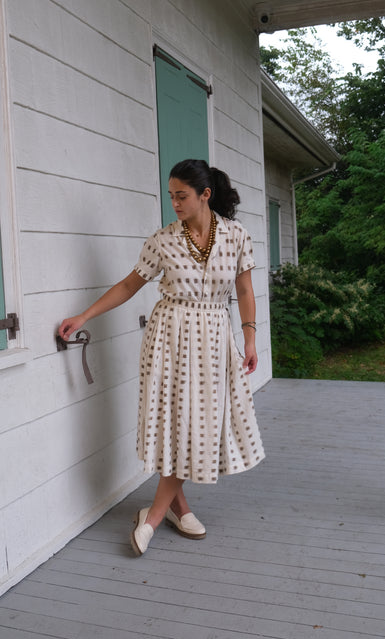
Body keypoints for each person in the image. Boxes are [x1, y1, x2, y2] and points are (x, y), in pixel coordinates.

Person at [58, 159, 265, 556]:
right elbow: (128, 285)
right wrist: (83, 315)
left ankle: (153, 514)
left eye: (182, 195)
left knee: (200, 423)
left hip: (215, 338)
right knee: (174, 422)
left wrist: (250, 338)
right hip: (169, 338)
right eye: (171, 195)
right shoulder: (163, 240)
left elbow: (244, 292)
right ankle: (174, 509)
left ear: (205, 195)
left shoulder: (238, 236)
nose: (175, 202)